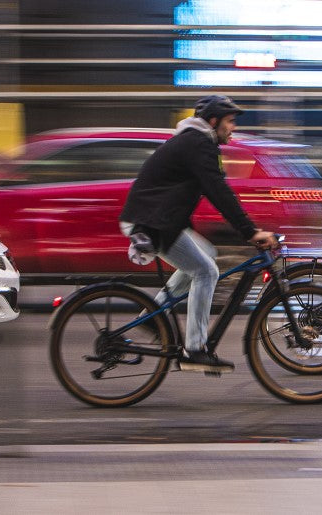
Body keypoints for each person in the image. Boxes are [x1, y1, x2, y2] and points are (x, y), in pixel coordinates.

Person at [119, 95, 277, 373]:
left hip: (159, 220)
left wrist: (242, 228)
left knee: (207, 255)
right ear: (213, 121)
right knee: (206, 272)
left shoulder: (196, 141)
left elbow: (205, 190)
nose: (234, 128)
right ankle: (194, 349)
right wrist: (249, 231)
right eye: (230, 121)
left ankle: (151, 318)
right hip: (151, 223)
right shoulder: (198, 143)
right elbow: (218, 192)